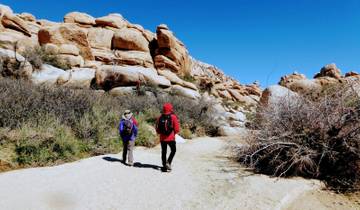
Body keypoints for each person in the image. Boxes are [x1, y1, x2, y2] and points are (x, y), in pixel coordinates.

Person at [156, 103, 180, 172]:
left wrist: (160, 133)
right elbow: (177, 129)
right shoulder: (173, 117)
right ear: (170, 109)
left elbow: (157, 128)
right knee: (173, 150)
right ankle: (168, 163)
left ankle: (164, 166)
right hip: (171, 138)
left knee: (164, 152)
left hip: (162, 138)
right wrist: (174, 133)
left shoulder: (160, 117)